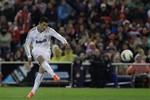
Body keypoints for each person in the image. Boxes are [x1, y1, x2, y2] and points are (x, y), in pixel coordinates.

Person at [24, 17, 68, 98]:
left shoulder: (49, 30)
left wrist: (64, 41)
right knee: (37, 54)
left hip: (47, 51)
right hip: (36, 49)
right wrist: (29, 55)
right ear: (39, 23)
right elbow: (26, 44)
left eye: (46, 25)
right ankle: (53, 75)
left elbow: (57, 35)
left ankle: (32, 92)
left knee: (41, 71)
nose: (45, 27)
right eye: (43, 25)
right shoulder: (32, 32)